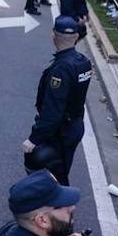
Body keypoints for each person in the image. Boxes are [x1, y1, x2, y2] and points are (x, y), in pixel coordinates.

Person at [23, 17, 93, 185]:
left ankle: (63, 208)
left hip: (61, 131)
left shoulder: (61, 69)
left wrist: (34, 138)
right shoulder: (83, 62)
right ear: (76, 37)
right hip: (74, 125)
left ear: (53, 36)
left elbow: (53, 111)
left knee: (56, 177)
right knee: (61, 168)